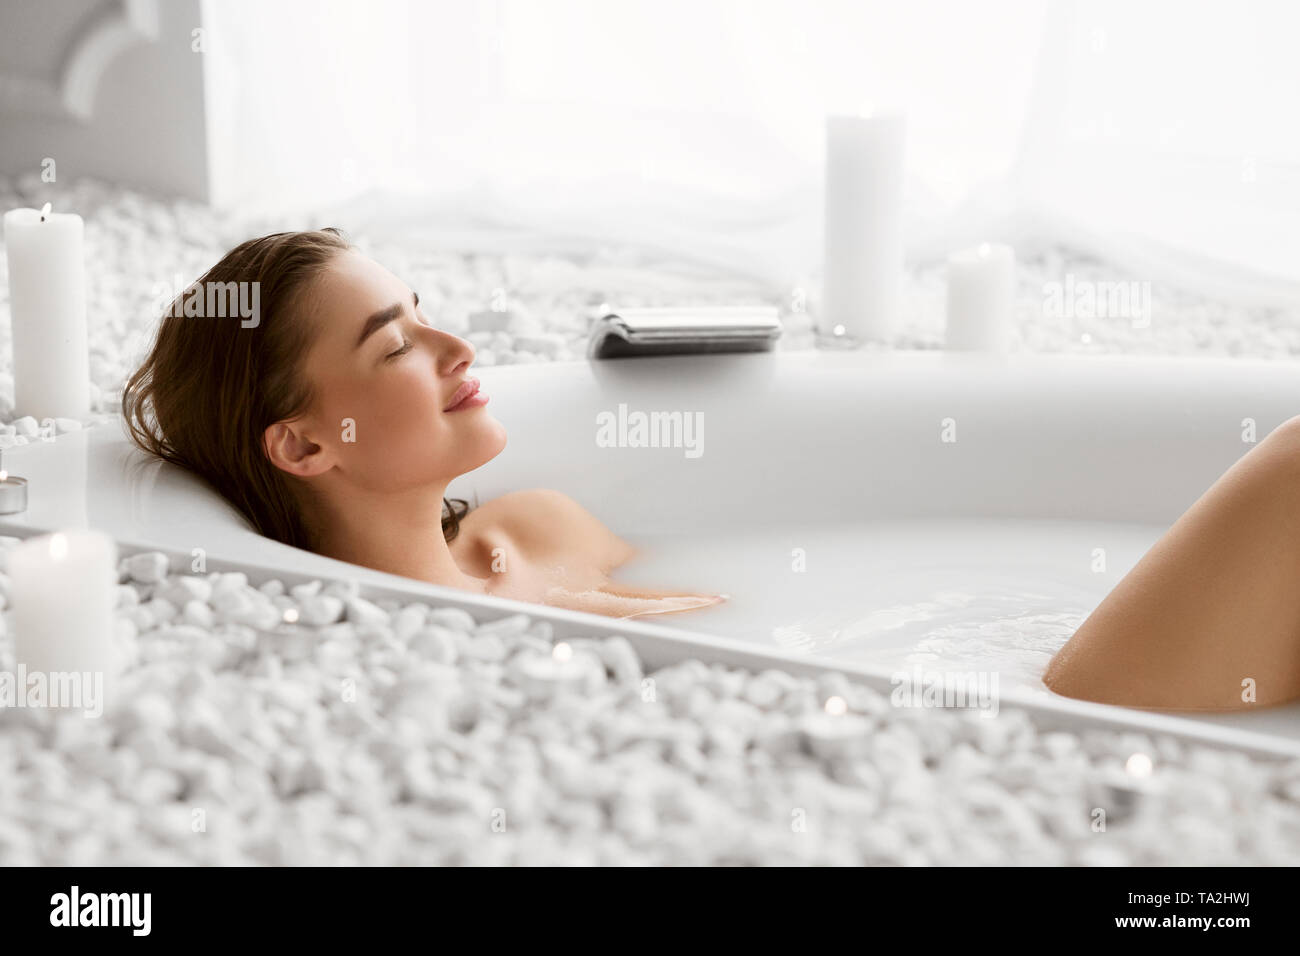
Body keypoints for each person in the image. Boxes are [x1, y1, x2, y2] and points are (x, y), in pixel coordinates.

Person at [123, 229, 725, 621]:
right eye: (394, 346)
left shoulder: (542, 527)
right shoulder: (373, 644)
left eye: (422, 312)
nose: (459, 348)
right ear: (304, 444)